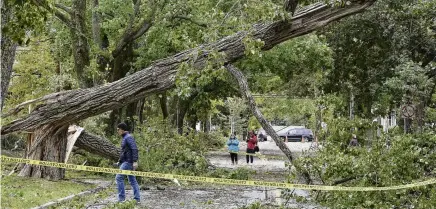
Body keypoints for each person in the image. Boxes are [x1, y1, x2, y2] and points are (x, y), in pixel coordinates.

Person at [116, 123, 140, 203]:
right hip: (126, 161)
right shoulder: (125, 138)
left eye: (118, 129)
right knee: (132, 180)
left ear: (122, 129)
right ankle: (137, 199)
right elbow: (124, 151)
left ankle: (121, 199)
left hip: (128, 162)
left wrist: (135, 161)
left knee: (119, 178)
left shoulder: (128, 137)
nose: (117, 131)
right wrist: (119, 161)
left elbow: (134, 149)